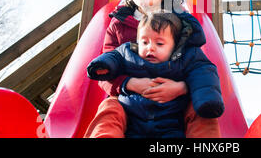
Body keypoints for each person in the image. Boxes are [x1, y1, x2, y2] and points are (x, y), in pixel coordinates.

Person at [83, 0, 222, 138]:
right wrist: (130, 83)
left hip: (174, 106)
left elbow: (198, 67)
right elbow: (106, 68)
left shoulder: (181, 24)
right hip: (129, 103)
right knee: (109, 108)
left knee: (200, 112)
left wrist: (182, 88)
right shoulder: (118, 24)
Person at [87, 12, 224, 138]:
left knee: (200, 112)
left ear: (174, 46)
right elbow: (113, 56)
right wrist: (103, 65)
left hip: (171, 122)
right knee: (109, 106)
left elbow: (203, 72)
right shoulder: (128, 53)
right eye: (144, 42)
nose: (150, 47)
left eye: (159, 43)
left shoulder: (186, 56)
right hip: (132, 119)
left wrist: (204, 99)